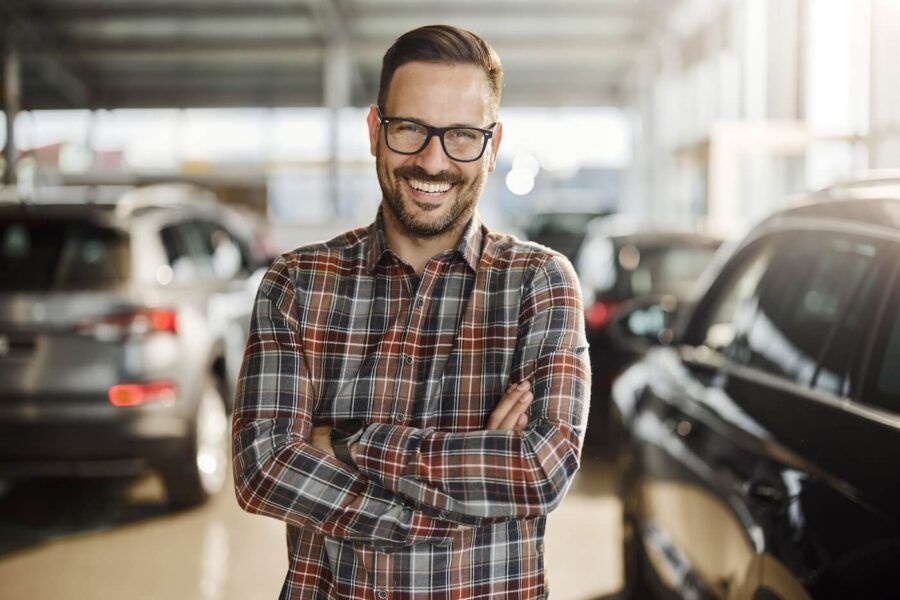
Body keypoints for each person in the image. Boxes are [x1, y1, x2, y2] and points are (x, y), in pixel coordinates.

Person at [232, 24, 591, 599]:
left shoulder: (539, 283)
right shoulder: (297, 283)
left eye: (462, 136)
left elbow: (538, 470)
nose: (433, 160)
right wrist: (459, 501)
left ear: (492, 147)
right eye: (411, 129)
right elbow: (263, 469)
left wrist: (350, 443)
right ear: (376, 132)